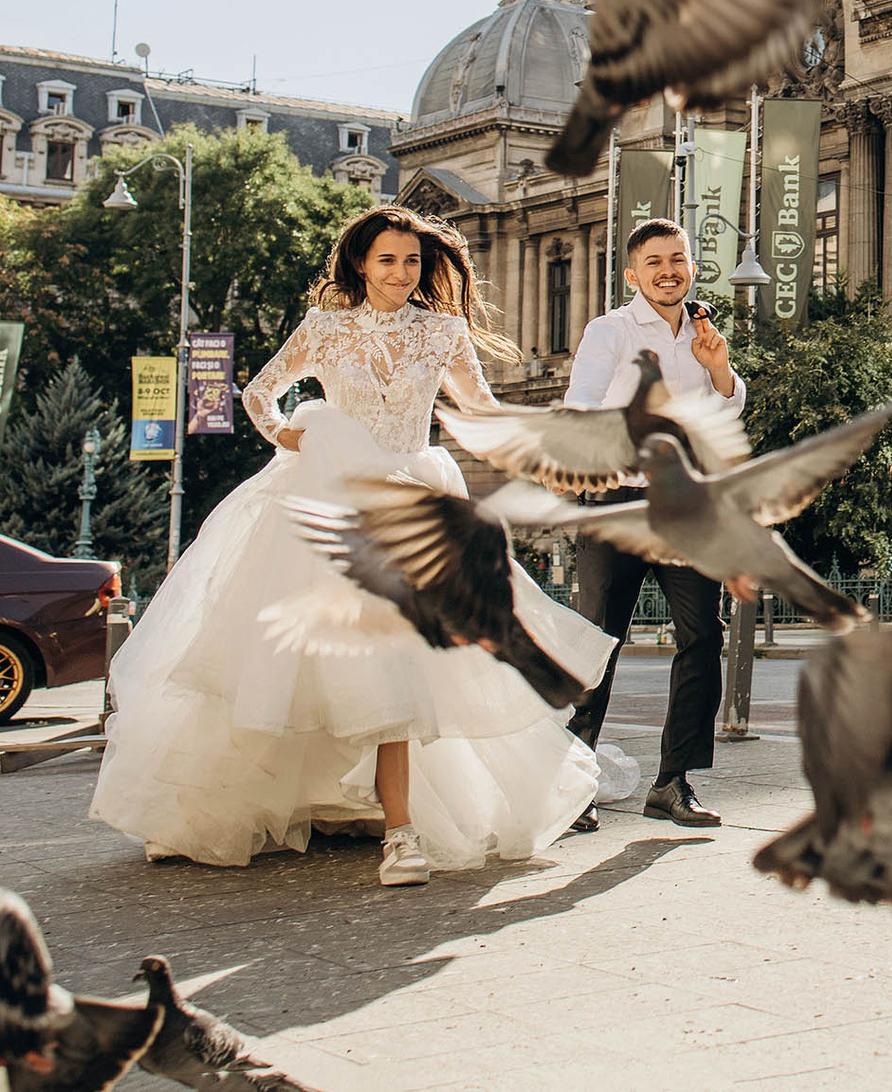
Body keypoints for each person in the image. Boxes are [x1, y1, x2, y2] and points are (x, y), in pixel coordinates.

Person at [90, 205, 613, 888]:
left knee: (397, 665)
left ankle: (400, 831)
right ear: (361, 264)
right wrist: (290, 437)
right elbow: (259, 393)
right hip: (325, 505)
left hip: (413, 504)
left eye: (413, 261)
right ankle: (211, 810)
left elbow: (482, 411)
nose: (402, 272)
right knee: (276, 671)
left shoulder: (443, 332)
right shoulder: (325, 328)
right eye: (387, 259)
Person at [561, 217, 746, 830]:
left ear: (692, 265)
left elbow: (724, 411)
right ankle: (572, 784)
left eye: (678, 259)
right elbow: (581, 407)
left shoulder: (704, 332)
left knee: (703, 637)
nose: (669, 271)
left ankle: (673, 783)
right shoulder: (610, 330)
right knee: (599, 641)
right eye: (655, 262)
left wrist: (718, 369)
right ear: (633, 274)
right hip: (617, 502)